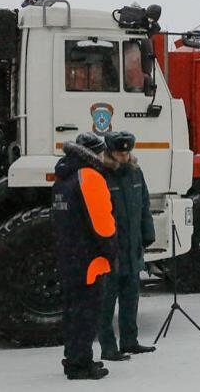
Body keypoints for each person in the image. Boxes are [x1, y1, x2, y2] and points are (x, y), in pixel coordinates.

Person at [52, 133, 116, 380]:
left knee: (73, 311)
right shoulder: (90, 177)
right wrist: (111, 249)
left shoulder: (63, 177)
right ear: (94, 153)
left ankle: (74, 358)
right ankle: (82, 364)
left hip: (68, 253)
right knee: (87, 312)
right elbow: (102, 223)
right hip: (89, 257)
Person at [98, 132, 156, 361]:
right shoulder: (102, 175)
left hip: (132, 246)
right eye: (119, 152)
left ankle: (130, 341)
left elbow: (144, 206)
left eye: (126, 152)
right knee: (107, 301)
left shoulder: (135, 172)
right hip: (112, 248)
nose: (124, 156)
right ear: (110, 152)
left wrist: (147, 235)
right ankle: (108, 347)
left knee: (131, 297)